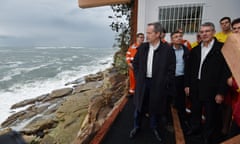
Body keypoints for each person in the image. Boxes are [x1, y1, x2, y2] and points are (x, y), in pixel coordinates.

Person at [129, 22, 176, 143]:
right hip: (143, 83)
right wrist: (139, 77)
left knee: (154, 107)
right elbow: (136, 63)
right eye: (147, 33)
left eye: (149, 33)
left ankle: (154, 128)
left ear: (158, 34)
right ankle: (136, 126)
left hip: (158, 85)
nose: (147, 35)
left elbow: (171, 69)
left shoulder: (168, 50)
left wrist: (164, 82)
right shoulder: (143, 47)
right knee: (139, 107)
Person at [185, 22, 230, 144]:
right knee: (195, 111)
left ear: (214, 32)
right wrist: (187, 85)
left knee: (210, 115)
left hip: (212, 89)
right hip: (195, 87)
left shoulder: (222, 48)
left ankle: (207, 136)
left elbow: (225, 73)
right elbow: (189, 70)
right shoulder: (195, 50)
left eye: (207, 31)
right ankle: (195, 129)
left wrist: (221, 92)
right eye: (202, 31)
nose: (204, 34)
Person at [170, 31, 190, 134]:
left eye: (180, 36)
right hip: (171, 79)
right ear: (172, 40)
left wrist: (187, 83)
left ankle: (184, 122)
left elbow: (189, 68)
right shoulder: (168, 51)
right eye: (176, 37)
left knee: (181, 101)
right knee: (169, 100)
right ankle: (169, 122)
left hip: (182, 79)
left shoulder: (186, 50)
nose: (178, 38)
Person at [226, 17, 240, 137]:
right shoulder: (231, 46)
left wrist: (234, 81)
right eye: (234, 29)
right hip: (233, 94)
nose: (237, 31)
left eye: (239, 28)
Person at [125, 33, 144, 97]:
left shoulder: (145, 47)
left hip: (140, 66)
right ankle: (132, 92)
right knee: (132, 79)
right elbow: (127, 55)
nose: (142, 39)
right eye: (140, 37)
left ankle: (139, 94)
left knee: (140, 80)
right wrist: (129, 63)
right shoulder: (132, 47)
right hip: (132, 66)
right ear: (137, 38)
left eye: (143, 37)